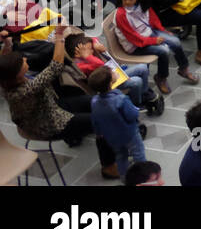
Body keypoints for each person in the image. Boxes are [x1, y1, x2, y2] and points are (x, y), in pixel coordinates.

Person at [0, 25, 119, 178]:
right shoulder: (25, 91)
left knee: (98, 101)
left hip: (51, 106)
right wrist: (59, 36)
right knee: (103, 120)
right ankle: (109, 166)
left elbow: (5, 64)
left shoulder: (7, 80)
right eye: (22, 61)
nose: (24, 58)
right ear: (16, 74)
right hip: (49, 123)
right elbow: (56, 65)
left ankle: (89, 134)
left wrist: (8, 44)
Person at [113, 0, 198, 94]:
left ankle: (183, 69)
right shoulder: (121, 14)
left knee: (175, 41)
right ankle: (161, 77)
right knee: (164, 50)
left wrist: (163, 31)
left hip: (147, 34)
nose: (127, 2)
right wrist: (153, 41)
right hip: (135, 45)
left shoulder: (142, 4)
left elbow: (153, 19)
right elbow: (133, 38)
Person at [88, 65, 146, 181]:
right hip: (130, 133)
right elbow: (132, 115)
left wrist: (99, 132)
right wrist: (136, 110)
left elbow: (95, 120)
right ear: (110, 82)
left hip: (112, 136)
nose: (115, 72)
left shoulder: (94, 101)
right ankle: (143, 176)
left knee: (120, 156)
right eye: (113, 72)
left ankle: (124, 178)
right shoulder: (120, 99)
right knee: (138, 153)